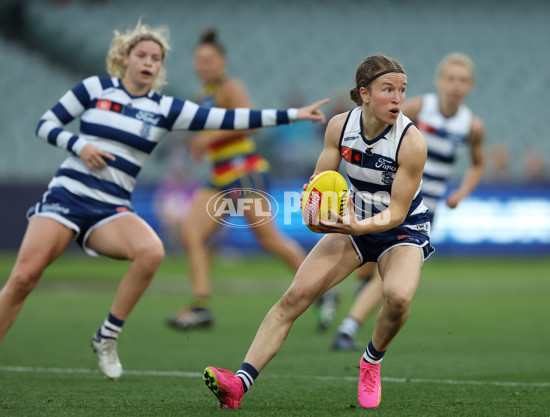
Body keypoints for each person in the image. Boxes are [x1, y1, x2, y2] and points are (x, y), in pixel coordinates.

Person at [0, 20, 328, 380]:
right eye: (142, 54)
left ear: (160, 67)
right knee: (24, 277)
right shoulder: (94, 88)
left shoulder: (165, 108)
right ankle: (203, 303)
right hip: (68, 195)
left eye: (156, 58)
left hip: (112, 207)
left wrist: (293, 114)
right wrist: (80, 144)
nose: (148, 62)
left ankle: (107, 336)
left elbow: (233, 118)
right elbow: (46, 124)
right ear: (125, 57)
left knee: (152, 251)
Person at [203, 54, 434, 409]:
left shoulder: (411, 141)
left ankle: (371, 361)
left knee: (399, 297)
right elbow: (318, 183)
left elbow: (397, 212)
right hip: (352, 223)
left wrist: (357, 224)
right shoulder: (339, 127)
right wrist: (313, 208)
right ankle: (238, 384)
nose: (398, 98)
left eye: (402, 90)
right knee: (293, 299)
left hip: (402, 229)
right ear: (365, 93)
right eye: (388, 89)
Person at [331, 52, 486, 351]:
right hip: (382, 201)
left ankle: (348, 327)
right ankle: (345, 313)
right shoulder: (417, 107)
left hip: (421, 211)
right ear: (440, 81)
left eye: (463, 81)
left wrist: (462, 191)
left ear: (470, 87)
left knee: (389, 279)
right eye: (451, 78)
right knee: (367, 270)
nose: (456, 86)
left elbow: (478, 165)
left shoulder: (472, 126)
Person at [165, 29, 311, 330]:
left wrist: (207, 139)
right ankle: (201, 307)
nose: (202, 66)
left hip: (244, 171)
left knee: (268, 239)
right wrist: (202, 142)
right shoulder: (203, 94)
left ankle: (321, 289)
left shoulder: (229, 86)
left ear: (222, 62)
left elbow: (251, 122)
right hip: (220, 176)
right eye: (198, 60)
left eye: (209, 60)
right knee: (191, 233)